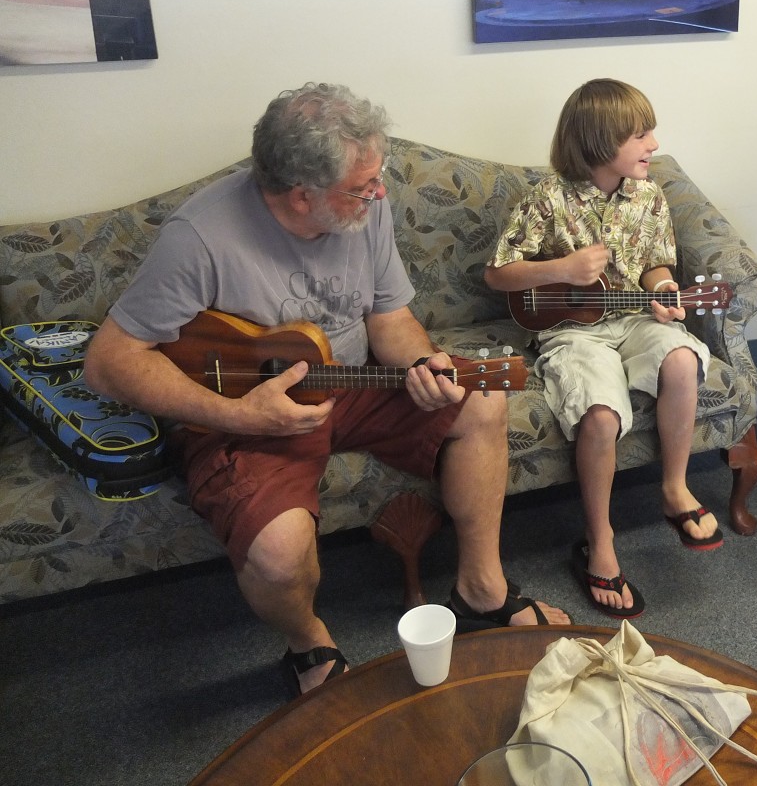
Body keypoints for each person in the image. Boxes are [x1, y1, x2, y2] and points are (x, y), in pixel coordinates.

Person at [83, 83, 569, 696]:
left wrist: (424, 364)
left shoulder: (366, 208)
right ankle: (308, 642)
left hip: (351, 381)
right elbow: (109, 362)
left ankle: (480, 591)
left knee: (481, 400)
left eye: (377, 178)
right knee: (277, 553)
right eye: (363, 186)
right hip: (246, 409)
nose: (380, 193)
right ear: (300, 195)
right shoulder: (200, 237)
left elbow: (389, 317)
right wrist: (238, 414)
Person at [485, 78, 721, 620]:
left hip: (633, 318)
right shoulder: (547, 198)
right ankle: (600, 539)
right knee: (599, 415)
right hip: (571, 331)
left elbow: (655, 264)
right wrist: (561, 269)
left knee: (682, 360)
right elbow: (498, 274)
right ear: (597, 140)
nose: (654, 144)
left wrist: (665, 288)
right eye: (640, 135)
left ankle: (674, 488)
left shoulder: (649, 195)